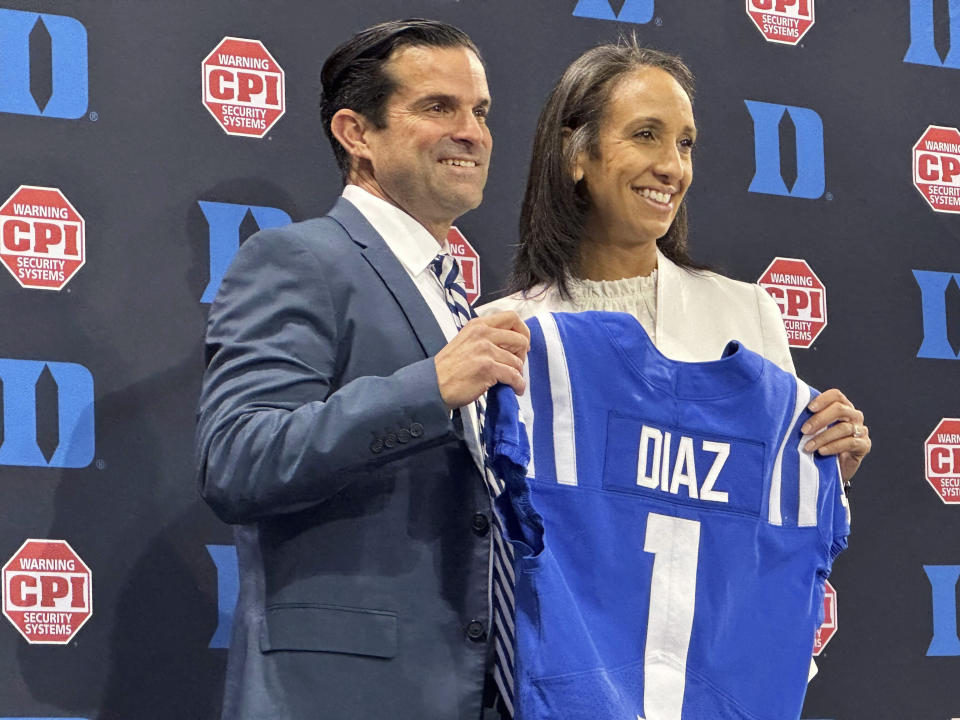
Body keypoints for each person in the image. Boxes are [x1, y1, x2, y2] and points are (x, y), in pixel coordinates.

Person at [195, 19, 528, 720]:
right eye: (438, 107)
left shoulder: (458, 296)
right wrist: (427, 390)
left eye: (481, 111)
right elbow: (237, 458)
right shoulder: (299, 259)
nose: (472, 131)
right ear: (356, 133)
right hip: (341, 697)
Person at [481, 40, 871, 485]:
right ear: (576, 154)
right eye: (646, 134)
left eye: (685, 143)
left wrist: (824, 474)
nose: (673, 167)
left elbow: (766, 499)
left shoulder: (747, 313)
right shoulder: (503, 334)